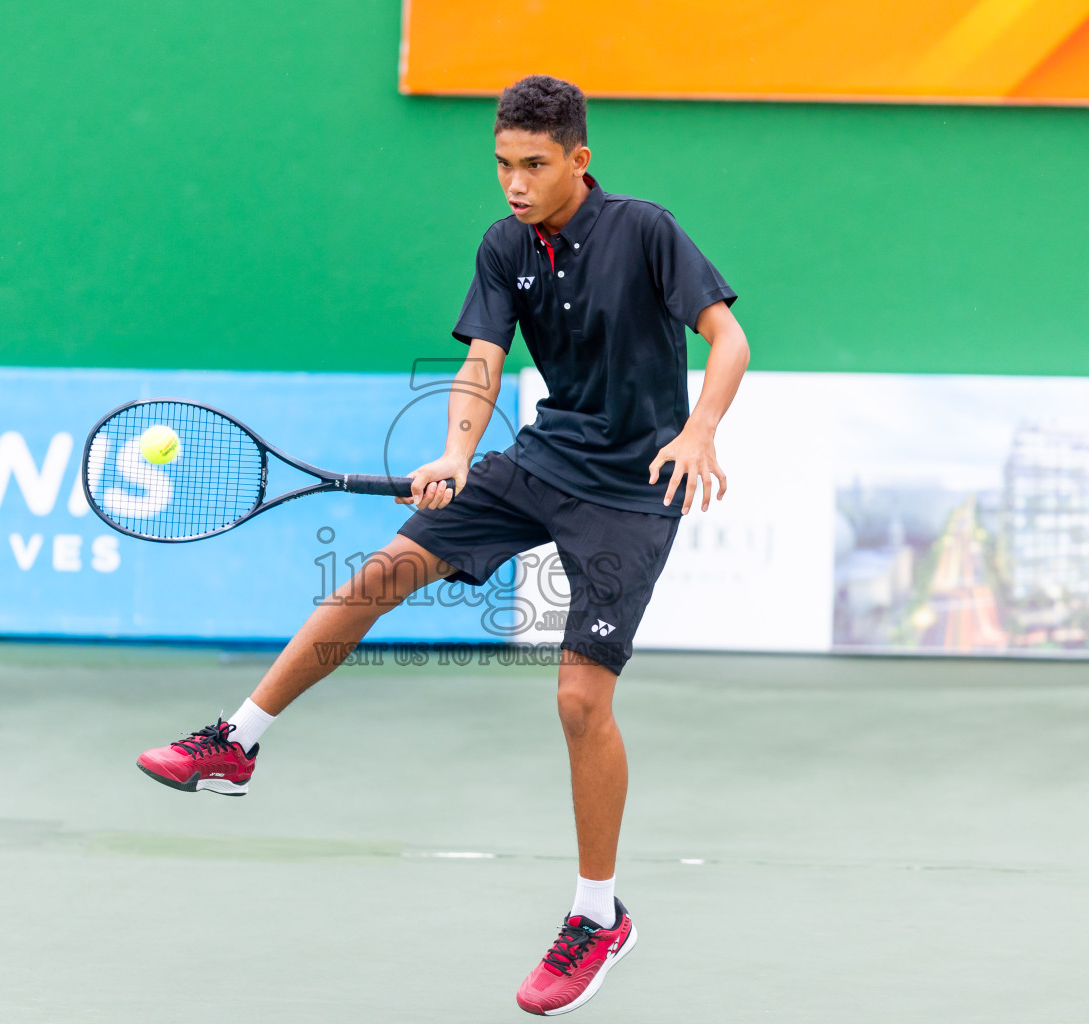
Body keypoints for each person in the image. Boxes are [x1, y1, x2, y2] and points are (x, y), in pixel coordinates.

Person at [135, 74, 749, 1016]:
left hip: (634, 492)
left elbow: (728, 339)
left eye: (534, 165)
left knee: (581, 699)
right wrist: (456, 453)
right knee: (382, 572)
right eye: (503, 164)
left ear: (578, 161)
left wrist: (699, 429)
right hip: (544, 459)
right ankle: (237, 739)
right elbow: (482, 362)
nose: (514, 182)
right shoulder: (507, 247)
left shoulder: (645, 230)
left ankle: (598, 915)